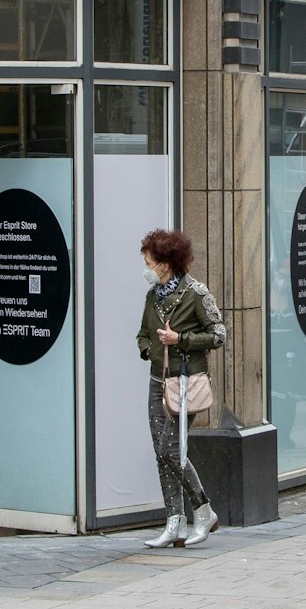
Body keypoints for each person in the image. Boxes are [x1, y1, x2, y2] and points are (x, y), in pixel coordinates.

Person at [135, 229, 227, 548]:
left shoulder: (196, 294)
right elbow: (142, 335)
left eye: (149, 262)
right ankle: (174, 521)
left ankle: (203, 511)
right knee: (161, 454)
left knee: (170, 449)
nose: (146, 267)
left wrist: (181, 341)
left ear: (165, 264)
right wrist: (149, 349)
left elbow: (218, 334)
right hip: (157, 382)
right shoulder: (152, 297)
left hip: (186, 381)